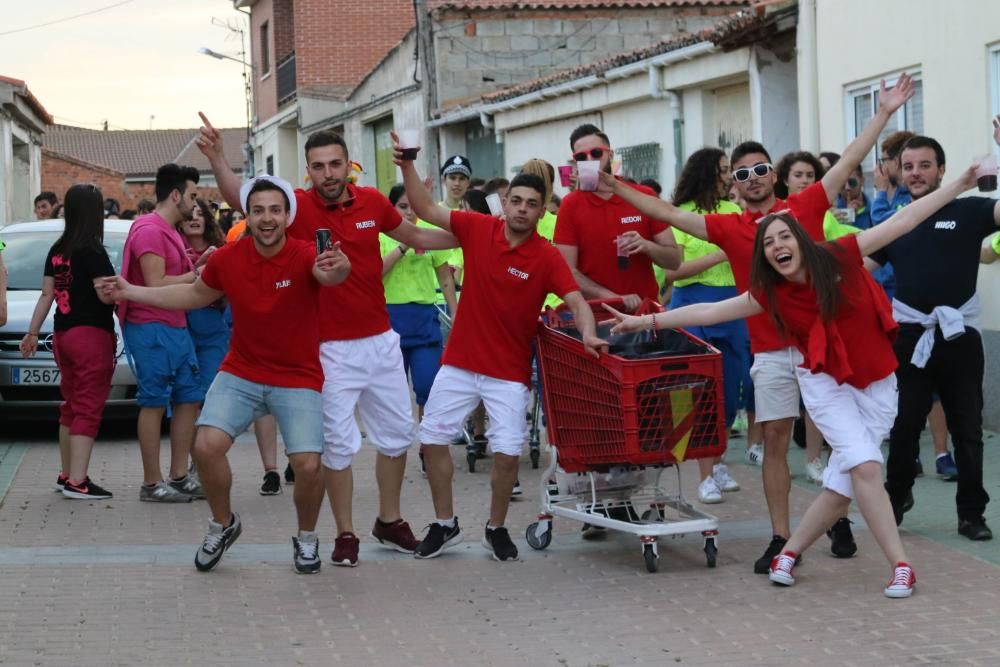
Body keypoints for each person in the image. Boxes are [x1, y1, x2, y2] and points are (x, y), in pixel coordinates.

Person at [605, 162, 976, 598]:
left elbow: (905, 219)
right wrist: (645, 320)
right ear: (763, 257)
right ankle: (901, 566)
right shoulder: (769, 293)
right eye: (769, 243)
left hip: (876, 381)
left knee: (842, 485)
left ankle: (790, 551)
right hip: (824, 383)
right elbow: (706, 312)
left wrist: (961, 185)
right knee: (865, 466)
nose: (778, 245)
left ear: (799, 240)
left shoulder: (838, 256)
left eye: (785, 236)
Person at [596, 73, 915, 572]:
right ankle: (781, 536)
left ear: (775, 173)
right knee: (773, 441)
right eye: (741, 174)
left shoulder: (804, 206)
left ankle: (837, 520)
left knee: (837, 439)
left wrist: (885, 111)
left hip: (826, 348)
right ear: (732, 185)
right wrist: (617, 188)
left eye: (760, 169)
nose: (752, 178)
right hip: (770, 350)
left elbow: (850, 159)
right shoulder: (728, 227)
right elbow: (666, 213)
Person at [197, 112, 460, 567]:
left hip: (380, 340)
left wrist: (477, 236)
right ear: (308, 171)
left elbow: (415, 233)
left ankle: (389, 519)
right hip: (328, 350)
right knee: (338, 446)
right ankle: (345, 533)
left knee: (397, 437)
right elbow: (243, 198)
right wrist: (219, 157)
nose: (328, 174)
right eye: (318, 166)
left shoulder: (374, 203)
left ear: (348, 164)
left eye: (334, 164)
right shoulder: (295, 209)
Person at [100, 175, 350, 573]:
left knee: (307, 466)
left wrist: (340, 267)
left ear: (287, 216)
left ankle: (306, 538)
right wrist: (131, 291)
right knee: (207, 446)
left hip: (297, 375)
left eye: (275, 210)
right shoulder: (228, 258)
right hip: (242, 371)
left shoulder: (306, 254)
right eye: (258, 211)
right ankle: (223, 523)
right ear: (246, 216)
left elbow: (330, 275)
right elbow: (193, 294)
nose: (266, 219)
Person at [395, 138, 606, 561]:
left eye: (532, 203)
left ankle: (496, 527)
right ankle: (444, 523)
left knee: (508, 455)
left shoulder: (546, 256)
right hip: (458, 364)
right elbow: (427, 210)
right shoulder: (477, 229)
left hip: (508, 373)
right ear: (504, 203)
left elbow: (578, 302)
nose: (523, 208)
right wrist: (408, 167)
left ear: (541, 207)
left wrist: (589, 332)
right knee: (432, 441)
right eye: (516, 201)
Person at [873, 133, 1000, 541]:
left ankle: (971, 514)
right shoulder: (892, 224)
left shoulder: (970, 211)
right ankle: (894, 502)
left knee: (967, 428)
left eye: (924, 165)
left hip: (959, 335)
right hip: (910, 337)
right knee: (904, 425)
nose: (915, 173)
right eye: (908, 167)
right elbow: (856, 268)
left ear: (942, 170)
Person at [660, 147, 748, 505]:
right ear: (706, 173)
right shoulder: (681, 216)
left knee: (730, 389)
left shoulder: (735, 212)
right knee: (692, 390)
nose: (730, 176)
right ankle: (703, 475)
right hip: (689, 304)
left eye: (730, 170)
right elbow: (672, 271)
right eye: (724, 170)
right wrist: (720, 253)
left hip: (731, 305)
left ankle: (718, 458)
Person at [20, 184, 117, 499]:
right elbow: (106, 294)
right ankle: (79, 481)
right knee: (88, 408)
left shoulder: (57, 249)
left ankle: (66, 475)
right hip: (91, 335)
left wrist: (32, 332)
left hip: (62, 335)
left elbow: (47, 294)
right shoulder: (93, 250)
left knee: (71, 406)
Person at [119, 163, 209, 502]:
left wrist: (197, 268)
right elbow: (155, 282)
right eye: (192, 195)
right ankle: (152, 483)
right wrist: (197, 276)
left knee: (189, 398)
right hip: (151, 327)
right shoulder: (149, 230)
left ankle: (179, 475)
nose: (195, 203)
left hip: (175, 325)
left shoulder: (170, 230)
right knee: (154, 401)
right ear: (176, 195)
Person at [554, 123, 682, 314]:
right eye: (581, 157)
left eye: (596, 153)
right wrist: (612, 297)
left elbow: (674, 261)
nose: (590, 160)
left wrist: (646, 246)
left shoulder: (643, 196)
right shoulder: (570, 205)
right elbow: (566, 272)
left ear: (611, 155)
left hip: (645, 314)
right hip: (597, 317)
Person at [381, 184, 458, 422]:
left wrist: (456, 313)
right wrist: (404, 244)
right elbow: (376, 272)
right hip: (389, 321)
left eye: (414, 207)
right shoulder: (381, 233)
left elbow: (445, 278)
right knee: (391, 396)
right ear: (391, 207)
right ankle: (396, 447)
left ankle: (428, 445)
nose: (409, 213)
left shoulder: (429, 232)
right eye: (403, 207)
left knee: (428, 388)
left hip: (425, 321)